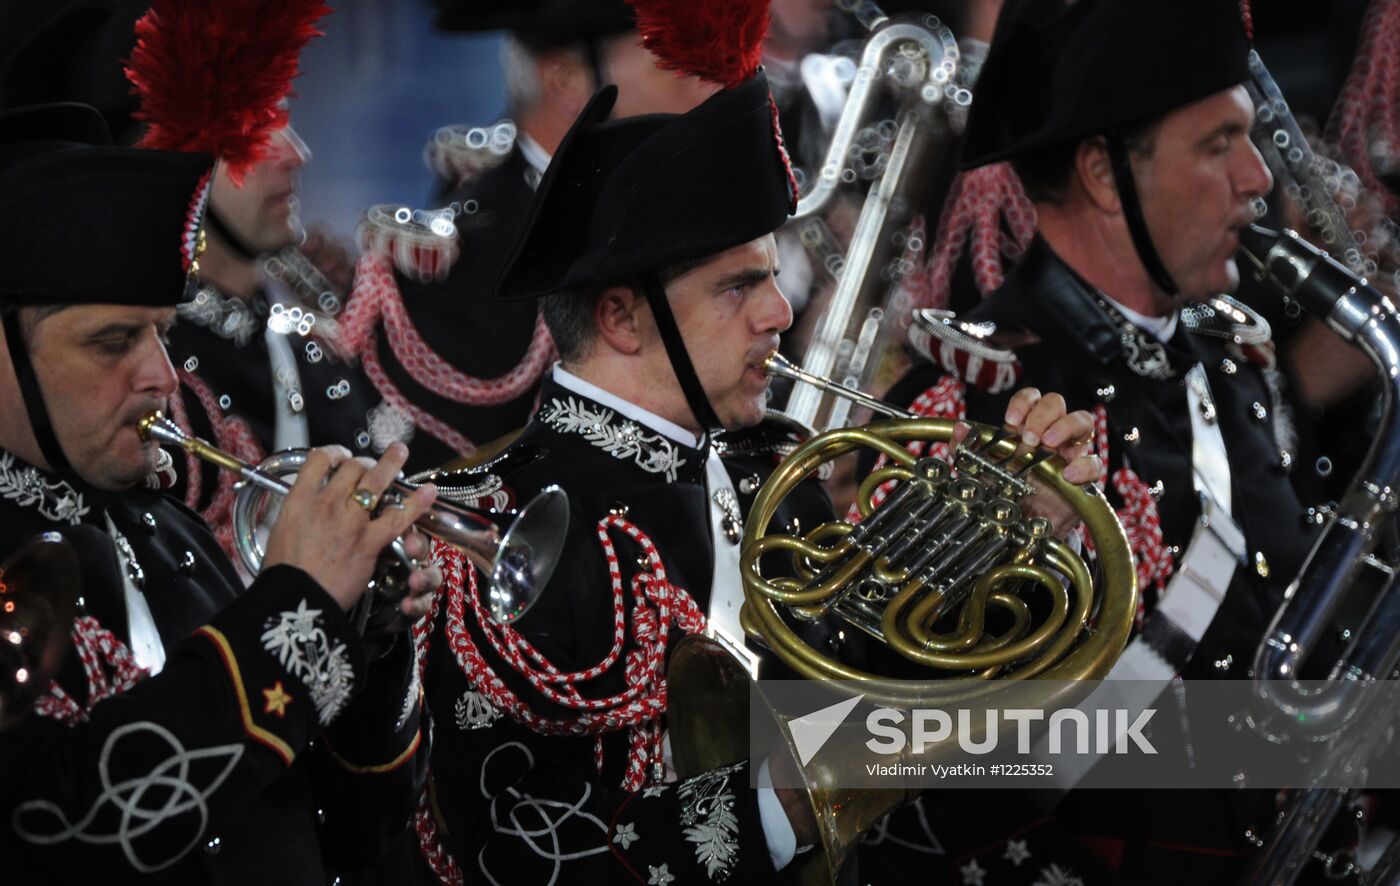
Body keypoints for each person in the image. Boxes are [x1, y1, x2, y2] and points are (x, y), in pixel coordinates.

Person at [405, 1, 1101, 883]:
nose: (779, 313)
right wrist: (785, 807)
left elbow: (882, 693)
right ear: (621, 317)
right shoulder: (490, 533)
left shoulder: (769, 463)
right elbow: (518, 853)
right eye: (738, 287)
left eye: (772, 277)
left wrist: (1014, 540)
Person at [864, 0, 1322, 882]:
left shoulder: (1234, 363)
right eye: (1219, 144)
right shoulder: (969, 398)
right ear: (1105, 175)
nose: (1259, 177)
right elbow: (898, 751)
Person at [0, 100, 438, 885]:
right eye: (112, 342)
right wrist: (299, 608)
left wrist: (366, 640)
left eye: (162, 334)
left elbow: (351, 831)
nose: (163, 379)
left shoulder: (171, 530)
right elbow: (64, 823)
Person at [339, 0, 718, 476]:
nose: (710, 88)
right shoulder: (468, 267)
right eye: (675, 64)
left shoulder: (680, 214)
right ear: (566, 80)